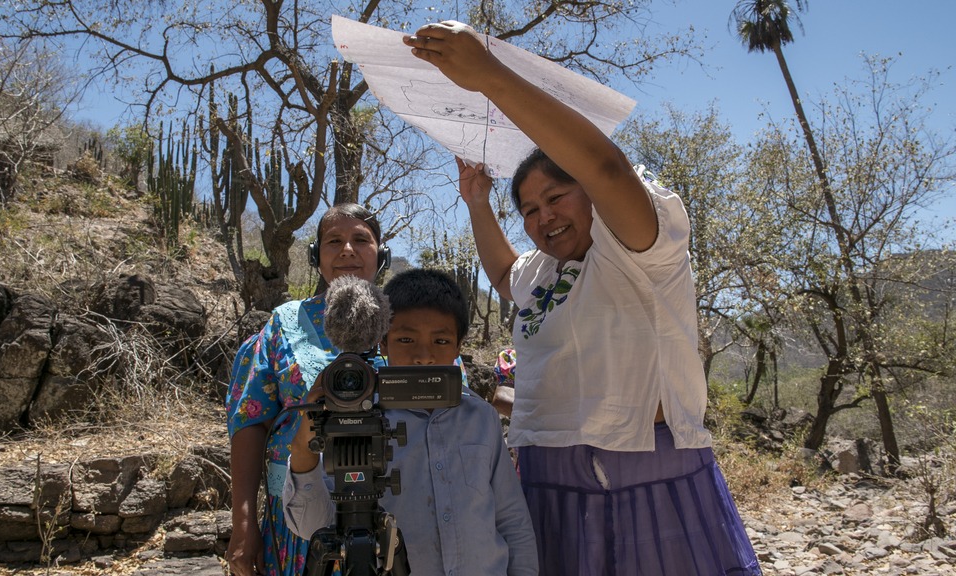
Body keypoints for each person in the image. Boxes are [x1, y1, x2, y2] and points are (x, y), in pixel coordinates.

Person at [403, 21, 762, 576]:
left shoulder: (639, 245)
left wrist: (489, 77)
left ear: (589, 194)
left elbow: (606, 167)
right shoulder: (544, 273)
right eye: (528, 209)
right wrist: (477, 200)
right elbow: (502, 273)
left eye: (556, 195)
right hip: (548, 484)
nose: (543, 216)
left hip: (644, 480)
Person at [283, 269, 539, 576]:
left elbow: (511, 518)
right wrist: (303, 450)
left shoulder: (481, 417)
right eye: (406, 339)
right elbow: (312, 525)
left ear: (458, 347)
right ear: (383, 344)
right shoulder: (357, 420)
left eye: (441, 340)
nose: (423, 356)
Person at [225, 203, 391, 576]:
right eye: (334, 241)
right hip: (298, 524)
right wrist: (244, 525)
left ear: (382, 255)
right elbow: (249, 423)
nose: (347, 249)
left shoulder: (410, 322)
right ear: (317, 257)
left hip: (395, 521)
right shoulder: (285, 324)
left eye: (361, 240)